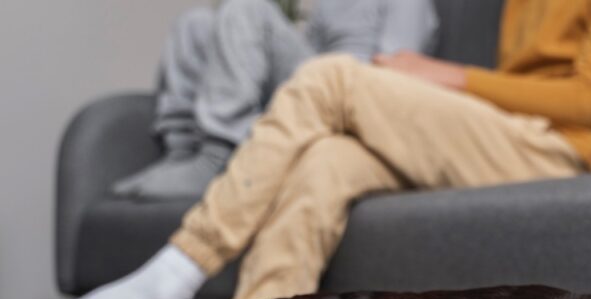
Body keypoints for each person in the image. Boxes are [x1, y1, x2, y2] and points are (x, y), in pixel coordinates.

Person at [24, 0, 591, 299]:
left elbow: (589, 100)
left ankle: (175, 272)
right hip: (500, 132)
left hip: (563, 151)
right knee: (324, 162)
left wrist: (444, 77)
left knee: (332, 79)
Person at [113, 0, 438, 199]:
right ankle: (183, 153)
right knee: (194, 24)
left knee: (248, 7)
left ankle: (219, 157)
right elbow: (304, 54)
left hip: (353, 96)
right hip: (311, 88)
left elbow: (399, 73)